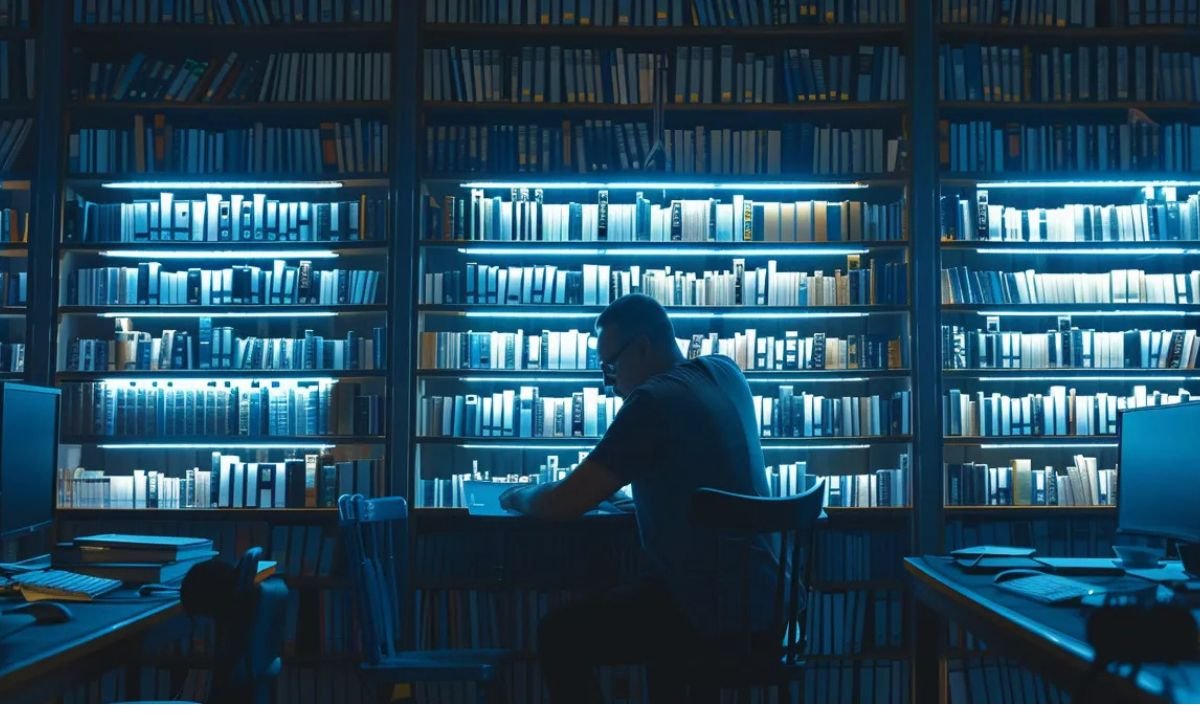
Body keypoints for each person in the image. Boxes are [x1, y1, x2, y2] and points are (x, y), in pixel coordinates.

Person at [499, 293, 781, 702]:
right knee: (653, 609)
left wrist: (518, 495)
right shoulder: (725, 371)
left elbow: (564, 503)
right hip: (767, 603)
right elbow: (704, 469)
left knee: (559, 634)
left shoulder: (651, 403)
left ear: (644, 347)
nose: (607, 382)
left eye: (610, 366)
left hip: (705, 615)